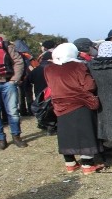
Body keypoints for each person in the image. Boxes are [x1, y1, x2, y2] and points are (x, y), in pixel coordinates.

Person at [44, 43, 103, 175]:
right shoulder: (78, 66)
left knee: (65, 134)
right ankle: (87, 165)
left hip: (60, 104)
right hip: (79, 103)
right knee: (85, 134)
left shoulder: (49, 68)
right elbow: (89, 85)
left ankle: (70, 163)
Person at [13, 39, 38, 116]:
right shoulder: (28, 55)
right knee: (29, 94)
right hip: (27, 77)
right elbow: (34, 65)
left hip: (18, 77)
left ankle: (22, 110)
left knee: (20, 94)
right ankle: (30, 110)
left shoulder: (14, 55)